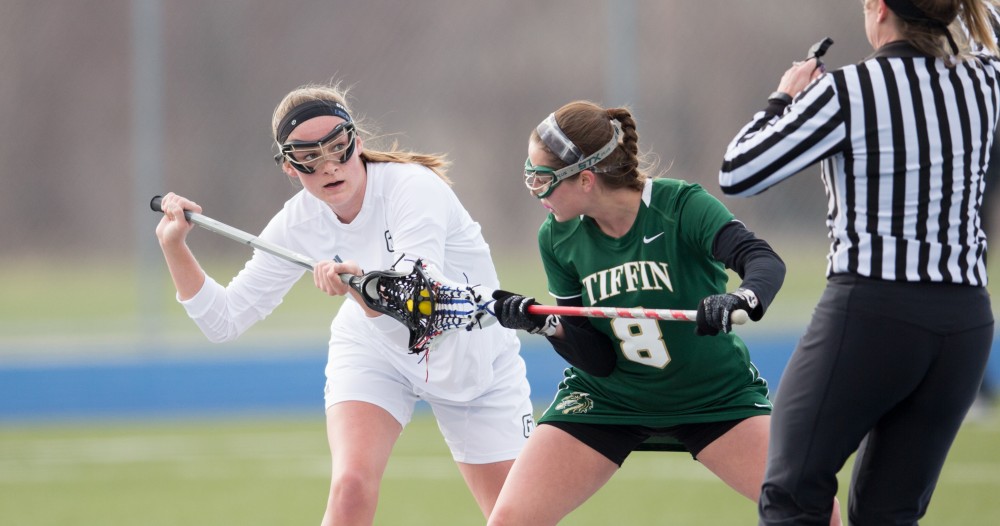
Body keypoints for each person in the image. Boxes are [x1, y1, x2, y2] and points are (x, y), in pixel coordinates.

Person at [154, 82, 533, 525]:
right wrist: (174, 246)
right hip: (374, 349)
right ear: (289, 168)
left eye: (338, 148)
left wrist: (362, 287)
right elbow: (223, 322)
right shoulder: (296, 223)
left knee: (514, 519)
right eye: (309, 159)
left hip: (471, 358)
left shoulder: (413, 188)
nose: (330, 167)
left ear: (358, 140)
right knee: (350, 485)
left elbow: (420, 296)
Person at [486, 100, 841, 525]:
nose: (534, 190)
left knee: (813, 511)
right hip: (608, 400)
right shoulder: (558, 237)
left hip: (712, 398)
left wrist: (740, 299)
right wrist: (547, 325)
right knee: (509, 519)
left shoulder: (680, 205)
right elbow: (595, 359)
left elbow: (761, 260)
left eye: (541, 179)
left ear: (584, 180)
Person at [719, 1, 999, 523]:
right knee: (888, 513)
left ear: (879, 9)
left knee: (791, 494)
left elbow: (739, 170)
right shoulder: (986, 76)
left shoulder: (848, 89)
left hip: (873, 312)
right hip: (965, 324)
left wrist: (784, 98)